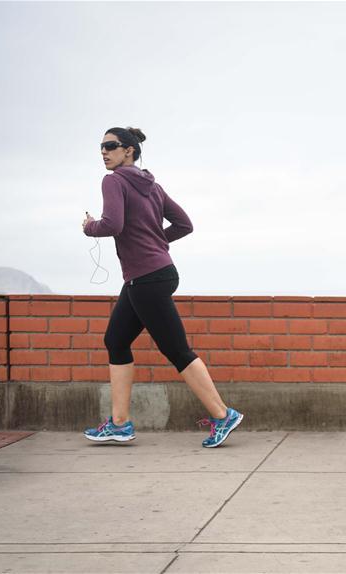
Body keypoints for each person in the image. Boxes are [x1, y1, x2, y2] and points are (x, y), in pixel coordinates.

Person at [81, 126, 243, 447]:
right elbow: (184, 225)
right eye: (101, 146)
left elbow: (113, 224)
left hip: (148, 277)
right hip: (153, 274)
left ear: (128, 150)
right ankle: (119, 424)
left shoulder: (113, 181)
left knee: (176, 349)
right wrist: (157, 243)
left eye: (110, 146)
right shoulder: (152, 186)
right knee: (116, 340)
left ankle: (223, 415)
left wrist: (89, 227)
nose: (103, 152)